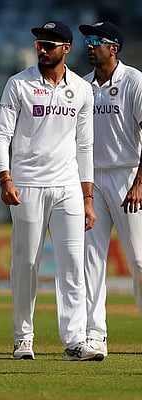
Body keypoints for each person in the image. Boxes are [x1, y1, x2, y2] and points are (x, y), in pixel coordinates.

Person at [0, 21, 104, 361]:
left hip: (67, 186)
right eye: (39, 44)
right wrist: (5, 178)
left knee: (72, 264)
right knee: (26, 263)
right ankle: (23, 338)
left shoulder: (82, 89)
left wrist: (87, 198)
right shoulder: (19, 84)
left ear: (66, 48)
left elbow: (85, 145)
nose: (42, 49)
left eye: (49, 45)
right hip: (27, 185)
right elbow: (1, 134)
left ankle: (75, 340)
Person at [79, 21, 142, 356]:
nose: (89, 45)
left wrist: (139, 183)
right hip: (92, 180)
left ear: (113, 48)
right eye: (88, 40)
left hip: (128, 176)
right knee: (90, 261)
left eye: (96, 40)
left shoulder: (134, 81)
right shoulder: (83, 86)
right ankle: (95, 335)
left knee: (139, 260)